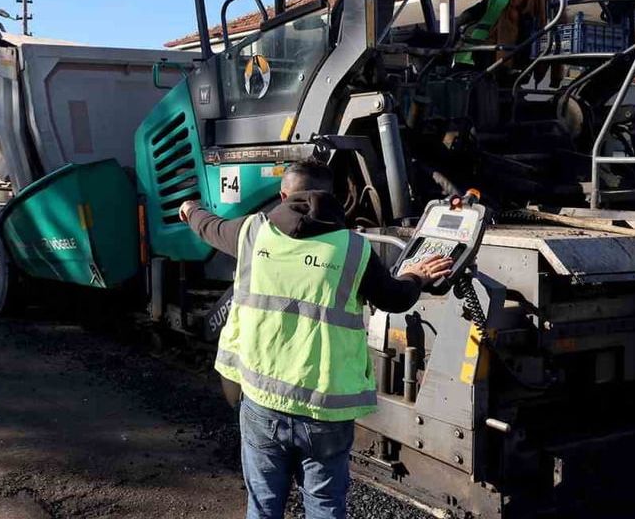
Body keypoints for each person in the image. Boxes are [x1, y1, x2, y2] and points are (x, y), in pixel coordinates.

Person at [179, 159, 452, 519]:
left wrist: (190, 208)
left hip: (263, 402)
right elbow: (395, 298)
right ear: (333, 197)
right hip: (325, 411)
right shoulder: (353, 249)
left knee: (263, 505)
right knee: (324, 506)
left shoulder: (251, 232)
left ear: (283, 195)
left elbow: (208, 226)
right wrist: (415, 276)